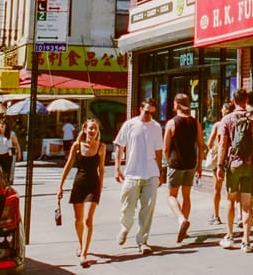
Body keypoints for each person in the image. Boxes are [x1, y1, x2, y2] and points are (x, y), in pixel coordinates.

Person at [216, 88, 253, 253]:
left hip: (233, 166)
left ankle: (229, 236)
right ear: (246, 100)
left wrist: (219, 165)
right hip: (250, 165)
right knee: (247, 204)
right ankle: (246, 241)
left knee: (230, 200)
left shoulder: (227, 119)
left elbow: (223, 144)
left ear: (233, 101)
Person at [114, 97, 164, 255]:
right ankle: (124, 228)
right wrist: (117, 168)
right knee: (127, 206)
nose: (149, 115)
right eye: (147, 111)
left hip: (151, 173)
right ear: (141, 109)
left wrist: (160, 171)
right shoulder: (130, 125)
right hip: (132, 173)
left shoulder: (156, 127)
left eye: (152, 113)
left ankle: (142, 241)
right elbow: (120, 146)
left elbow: (158, 151)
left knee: (147, 209)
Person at [57, 118, 106, 267]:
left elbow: (102, 169)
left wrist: (100, 187)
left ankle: (84, 254)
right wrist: (60, 186)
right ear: (84, 130)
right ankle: (81, 244)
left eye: (95, 128)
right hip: (79, 184)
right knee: (78, 220)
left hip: (93, 186)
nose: (93, 131)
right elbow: (68, 165)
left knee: (87, 220)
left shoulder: (101, 147)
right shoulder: (77, 146)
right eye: (90, 128)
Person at [164, 93, 204, 243]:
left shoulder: (172, 123)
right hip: (190, 163)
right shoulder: (195, 123)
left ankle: (181, 220)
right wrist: (199, 165)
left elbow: (165, 148)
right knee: (186, 195)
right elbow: (201, 145)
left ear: (177, 105)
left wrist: (167, 162)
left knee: (171, 196)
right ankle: (184, 225)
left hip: (176, 163)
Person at [207, 102, 234, 224]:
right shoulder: (234, 124)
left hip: (220, 159)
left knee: (217, 189)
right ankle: (236, 216)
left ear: (223, 112)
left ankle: (216, 216)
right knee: (232, 190)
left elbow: (209, 143)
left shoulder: (218, 125)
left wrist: (213, 149)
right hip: (232, 158)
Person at [0, 119, 21, 184]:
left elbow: (16, 144)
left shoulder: (11, 133)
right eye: (0, 123)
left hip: (7, 154)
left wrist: (19, 153)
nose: (1, 125)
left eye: (3, 124)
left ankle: (7, 182)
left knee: (7, 170)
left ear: (6, 125)